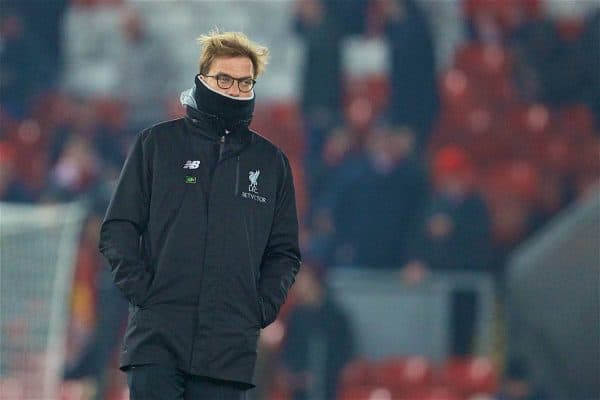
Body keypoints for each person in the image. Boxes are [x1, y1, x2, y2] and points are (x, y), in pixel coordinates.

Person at [98, 31, 302, 400]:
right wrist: (144, 292)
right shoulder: (156, 144)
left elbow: (284, 252)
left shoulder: (271, 164)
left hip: (228, 348)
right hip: (156, 341)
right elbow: (118, 227)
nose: (234, 90)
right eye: (224, 79)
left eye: (244, 82)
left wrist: (258, 308)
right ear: (203, 78)